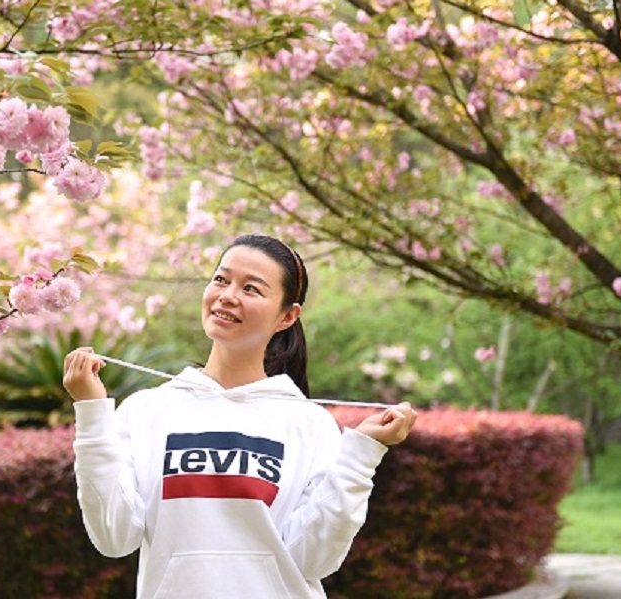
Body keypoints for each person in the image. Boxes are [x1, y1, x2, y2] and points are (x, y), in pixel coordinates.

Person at [63, 234, 417, 599]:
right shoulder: (145, 411)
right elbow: (113, 536)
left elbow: (314, 559)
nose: (228, 295)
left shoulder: (309, 424)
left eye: (251, 288)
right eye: (221, 279)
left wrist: (362, 454)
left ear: (287, 316)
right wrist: (91, 412)